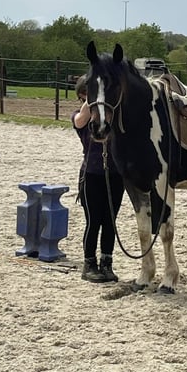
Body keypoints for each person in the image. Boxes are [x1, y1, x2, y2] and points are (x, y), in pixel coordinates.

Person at [71, 74, 125, 283]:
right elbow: (80, 120)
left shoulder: (111, 116)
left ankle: (106, 262)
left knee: (110, 221)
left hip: (115, 175)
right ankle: (89, 264)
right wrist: (92, 100)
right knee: (93, 221)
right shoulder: (80, 116)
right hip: (92, 174)